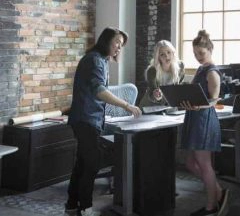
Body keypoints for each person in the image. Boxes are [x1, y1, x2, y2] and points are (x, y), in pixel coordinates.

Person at [65, 27, 142, 216]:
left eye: (121, 45)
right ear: (106, 40)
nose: (118, 48)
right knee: (91, 164)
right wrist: (127, 105)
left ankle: (72, 205)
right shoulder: (94, 60)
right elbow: (99, 91)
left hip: (88, 119)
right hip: (85, 120)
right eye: (117, 42)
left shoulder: (101, 60)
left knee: (83, 163)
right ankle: (85, 208)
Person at [180, 30, 230, 216]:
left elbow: (213, 101)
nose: (198, 57)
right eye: (195, 54)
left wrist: (196, 106)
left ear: (209, 50)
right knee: (191, 164)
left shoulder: (212, 72)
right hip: (195, 118)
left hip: (204, 120)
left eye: (201, 53)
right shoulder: (201, 69)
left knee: (204, 164)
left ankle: (211, 207)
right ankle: (218, 192)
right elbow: (196, 94)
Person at [139, 40, 185, 108]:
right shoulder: (152, 71)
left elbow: (178, 88)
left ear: (173, 53)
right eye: (162, 54)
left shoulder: (180, 66)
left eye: (169, 52)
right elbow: (152, 93)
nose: (166, 56)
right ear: (158, 58)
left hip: (168, 106)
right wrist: (156, 95)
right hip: (150, 106)